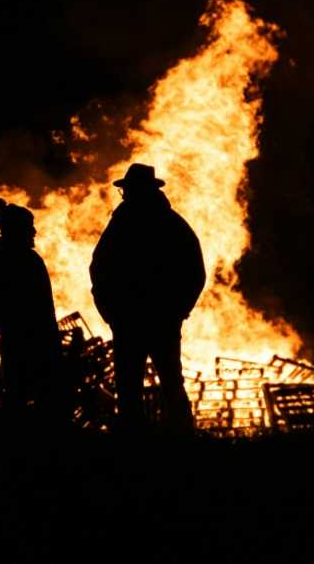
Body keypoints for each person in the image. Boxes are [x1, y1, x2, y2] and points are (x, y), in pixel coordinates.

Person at [89, 163, 205, 431]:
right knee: (168, 383)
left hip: (133, 320)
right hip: (155, 320)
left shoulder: (122, 226)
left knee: (133, 386)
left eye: (128, 190)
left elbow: (99, 269)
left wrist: (110, 312)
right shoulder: (172, 224)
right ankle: (181, 437)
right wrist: (178, 310)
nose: (126, 194)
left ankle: (137, 443)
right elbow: (194, 273)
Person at [0, 199, 63, 428]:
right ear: (17, 229)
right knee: (46, 406)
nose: (34, 231)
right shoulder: (30, 261)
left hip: (14, 345)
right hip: (37, 345)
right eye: (29, 226)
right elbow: (44, 308)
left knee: (19, 402)